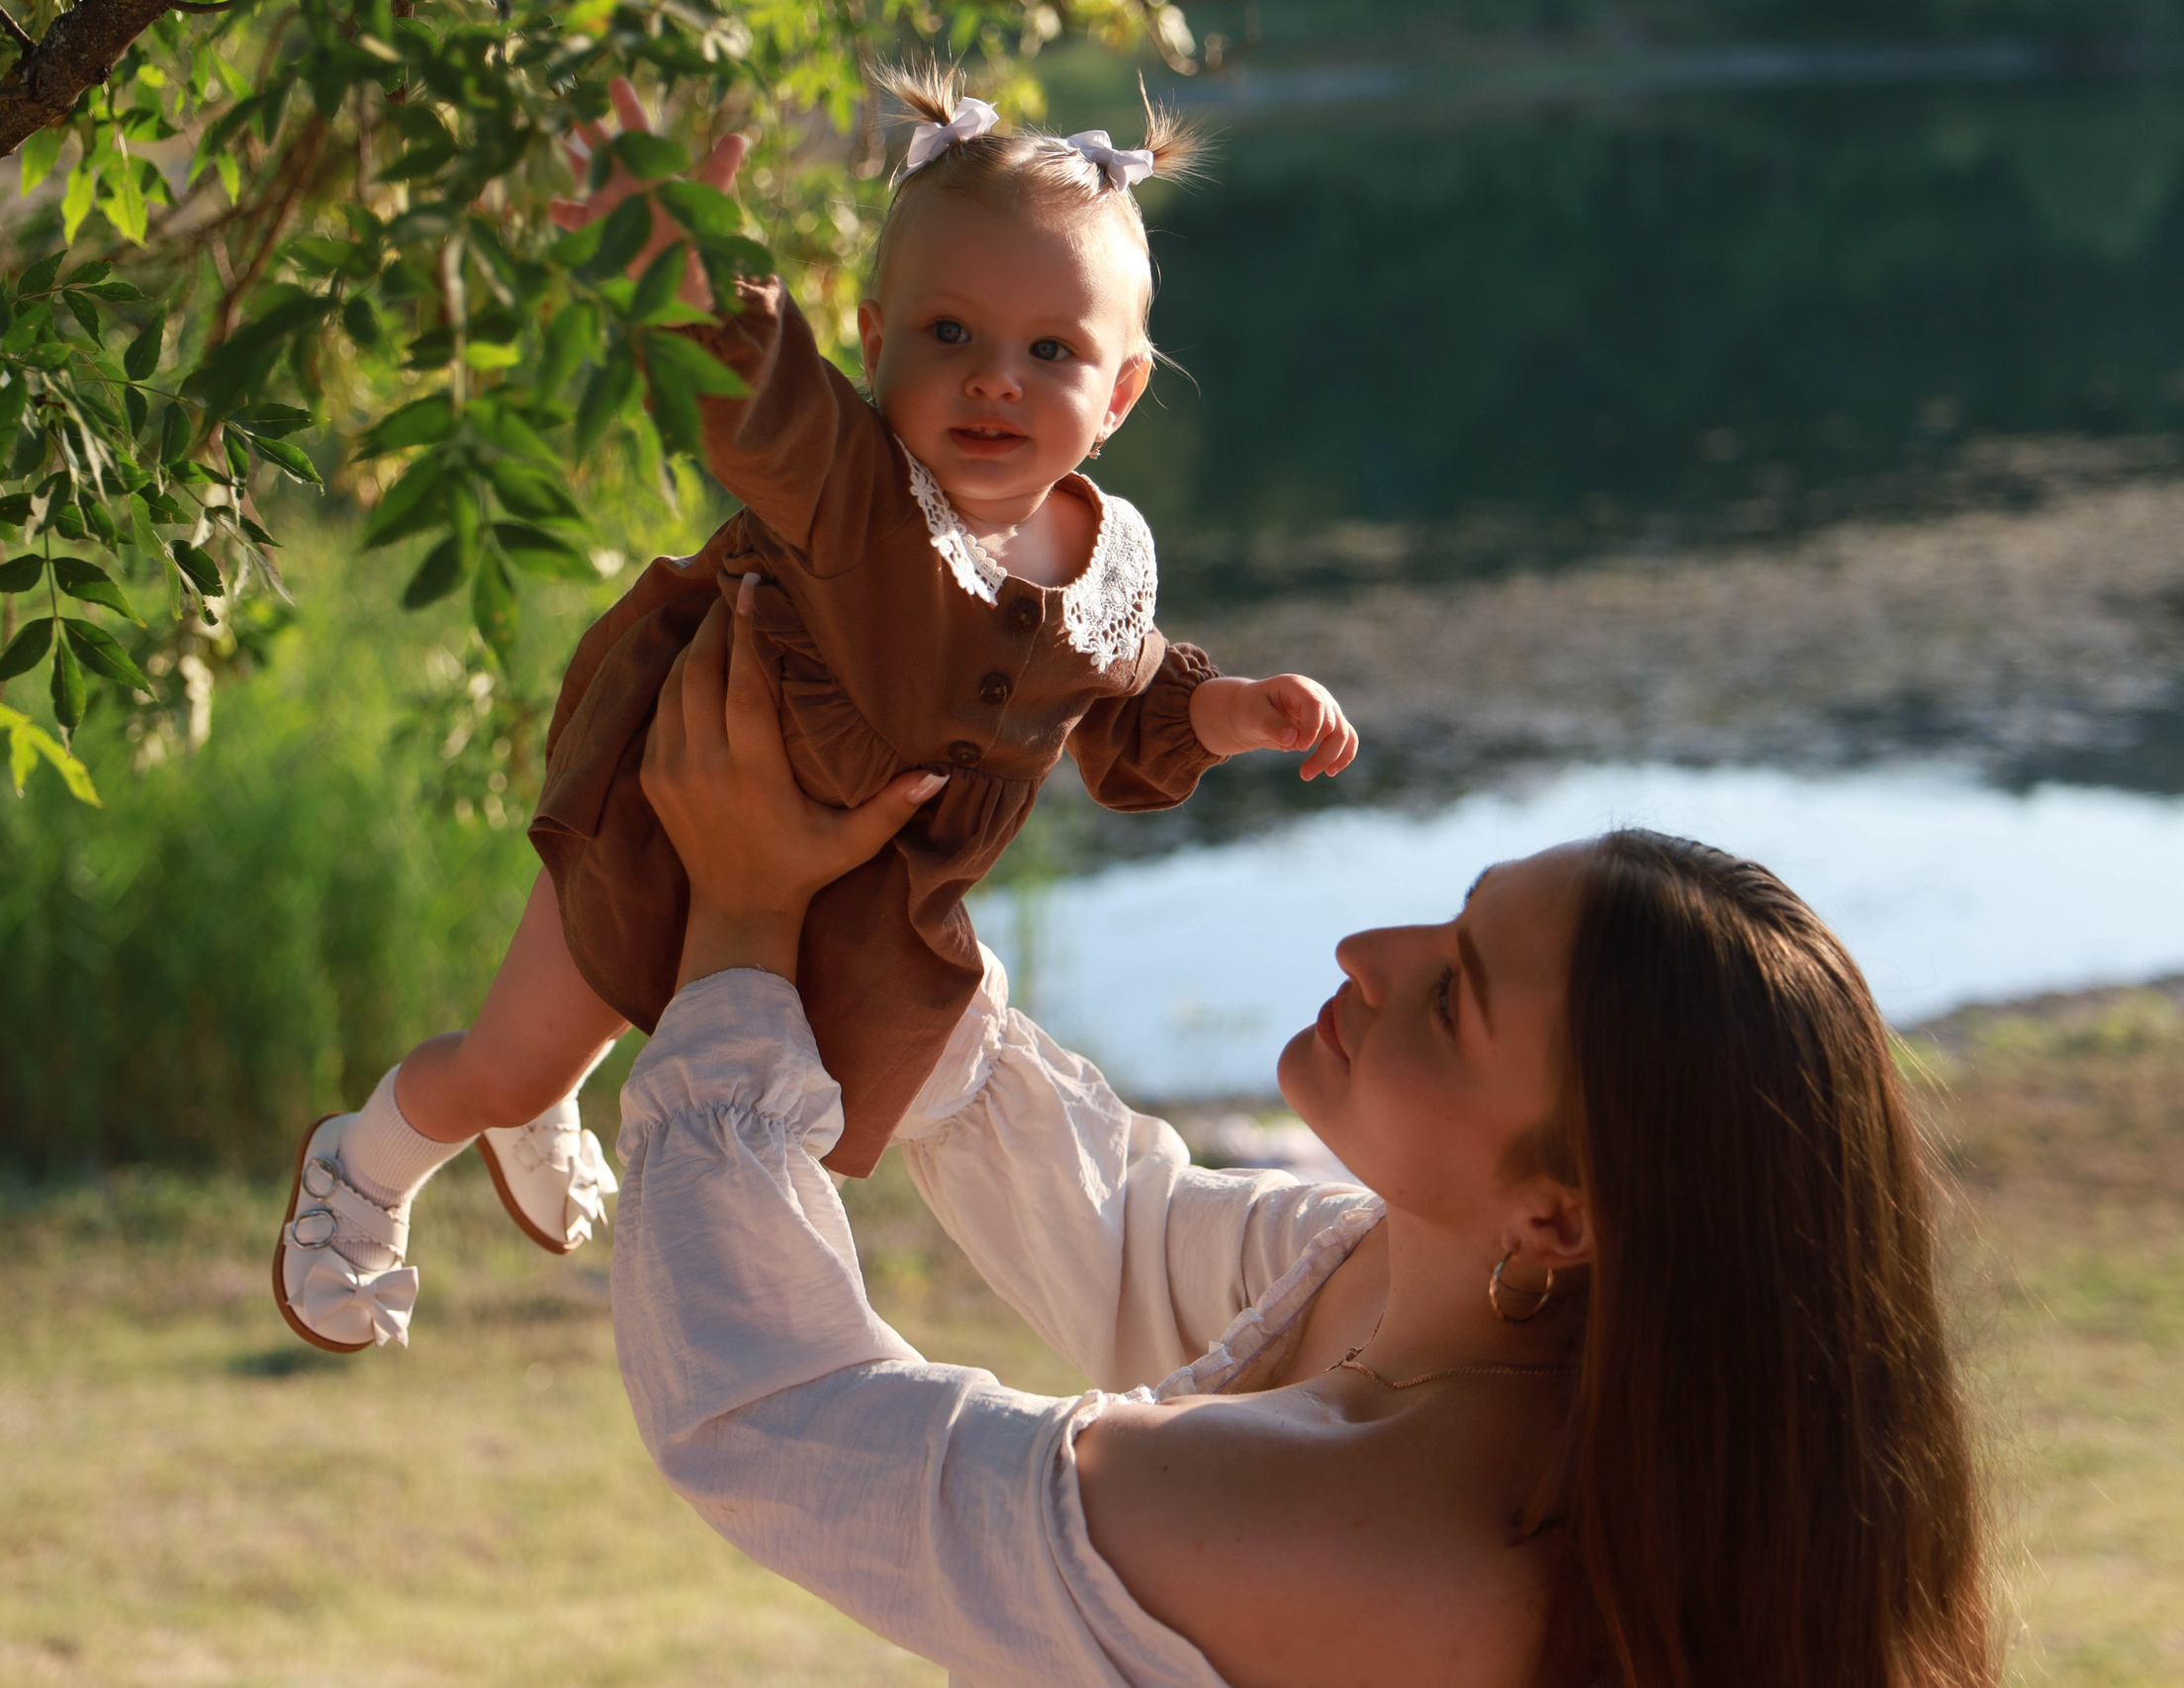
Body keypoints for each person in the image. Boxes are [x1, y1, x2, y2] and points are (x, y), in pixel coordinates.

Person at [608, 600, 1994, 1688]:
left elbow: (775, 1419)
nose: (1363, 954)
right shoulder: (1425, 1304)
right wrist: (875, 895)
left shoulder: (1332, 1526)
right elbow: (1132, 1232)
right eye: (1450, 920)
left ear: (1560, 1219)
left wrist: (736, 936)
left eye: (1454, 995)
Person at [275, 68, 1357, 1352]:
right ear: (875, 336)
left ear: (1118, 395)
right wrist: (687, 278)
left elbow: (1120, 708)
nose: (995, 382)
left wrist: (1235, 712)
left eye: (1050, 351)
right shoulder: (856, 491)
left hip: (836, 909)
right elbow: (762, 404)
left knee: (775, 1100)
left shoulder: (1100, 560)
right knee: (515, 1057)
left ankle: (568, 1114)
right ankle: (366, 1164)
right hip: (664, 830)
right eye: (949, 335)